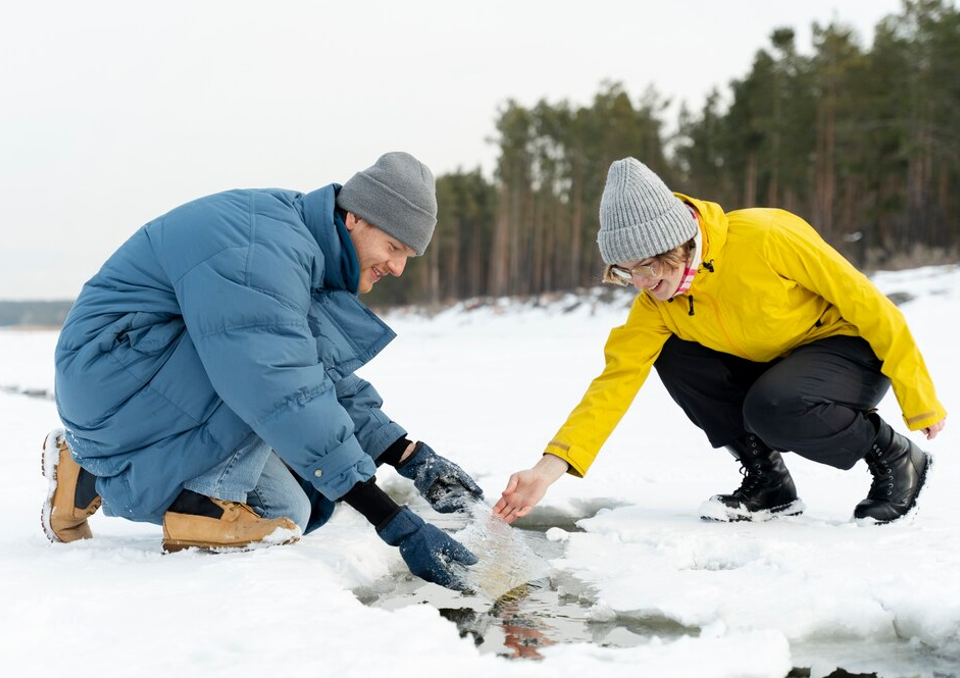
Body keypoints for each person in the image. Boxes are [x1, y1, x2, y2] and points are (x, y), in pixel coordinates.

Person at [44, 152, 482, 590]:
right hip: (109, 371)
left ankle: (82, 470)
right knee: (263, 378)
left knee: (286, 513)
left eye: (408, 255)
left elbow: (313, 373)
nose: (398, 267)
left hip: (142, 376)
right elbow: (279, 385)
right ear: (356, 218)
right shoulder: (263, 248)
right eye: (394, 247)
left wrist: (408, 455)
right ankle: (202, 502)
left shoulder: (300, 248)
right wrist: (392, 520)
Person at [494, 157, 946, 526]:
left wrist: (918, 396)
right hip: (775, 366)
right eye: (625, 272)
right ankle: (769, 484)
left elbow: (871, 306)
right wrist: (548, 469)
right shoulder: (656, 304)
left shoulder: (766, 238)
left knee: (772, 406)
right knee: (672, 353)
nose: (639, 284)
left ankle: (895, 455)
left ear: (677, 246)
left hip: (846, 347)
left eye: (645, 268)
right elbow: (615, 381)